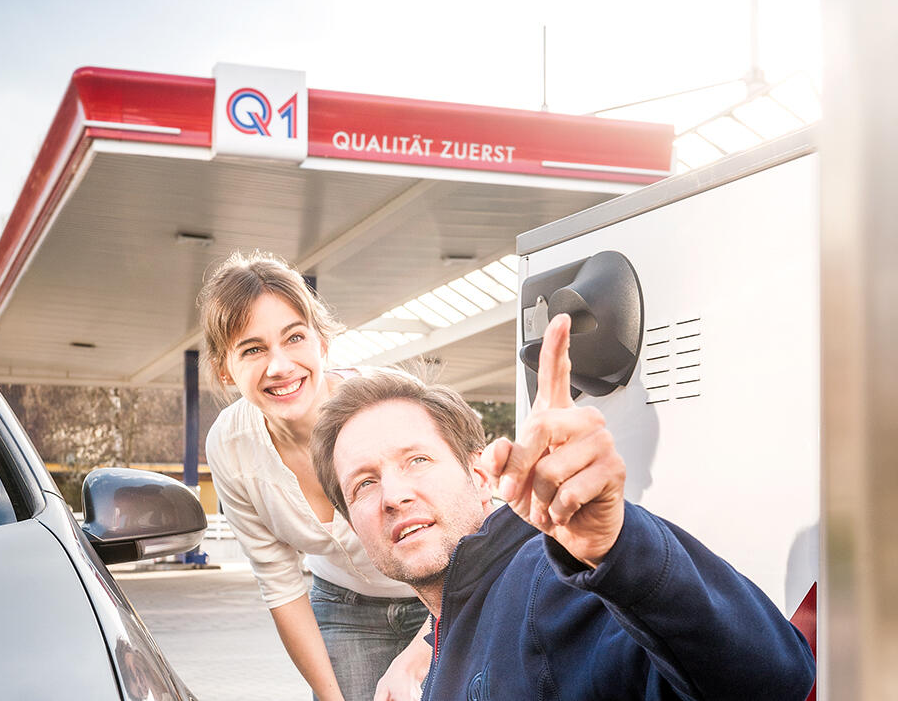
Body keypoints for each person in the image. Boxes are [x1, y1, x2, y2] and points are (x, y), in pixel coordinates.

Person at [310, 314, 817, 700]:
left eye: (417, 460)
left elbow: (772, 680)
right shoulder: (450, 628)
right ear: (351, 521)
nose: (394, 495)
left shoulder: (543, 582)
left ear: (480, 475)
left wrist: (618, 545)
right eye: (364, 484)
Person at [198, 251, 431, 701]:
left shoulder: (390, 408)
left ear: (322, 343)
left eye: (295, 338)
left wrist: (416, 659)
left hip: (442, 597)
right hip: (344, 606)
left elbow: (465, 540)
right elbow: (281, 584)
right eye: (253, 349)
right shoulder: (229, 446)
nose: (280, 366)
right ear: (226, 368)